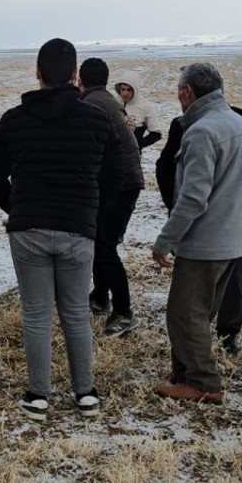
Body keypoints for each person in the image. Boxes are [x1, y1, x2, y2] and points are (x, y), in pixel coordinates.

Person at [0, 39, 114, 421]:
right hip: (78, 229)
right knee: (76, 313)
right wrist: (89, 210)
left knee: (36, 315)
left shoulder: (14, 119)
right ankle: (85, 394)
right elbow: (115, 174)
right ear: (74, 75)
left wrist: (18, 207)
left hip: (29, 230)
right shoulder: (97, 120)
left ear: (37, 73)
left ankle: (38, 397)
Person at [151, 63, 242, 404]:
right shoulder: (238, 123)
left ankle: (203, 383)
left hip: (205, 242)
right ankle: (183, 371)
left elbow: (193, 197)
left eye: (178, 92)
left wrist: (165, 241)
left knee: (185, 313)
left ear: (187, 92)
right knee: (200, 311)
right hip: (232, 239)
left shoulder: (202, 131)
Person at [157, 103, 242, 356]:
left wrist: (239, 205)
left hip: (238, 218)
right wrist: (176, 206)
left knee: (234, 278)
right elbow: (165, 167)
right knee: (193, 284)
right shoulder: (182, 124)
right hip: (195, 222)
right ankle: (192, 341)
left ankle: (228, 333)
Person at [77, 57, 143, 336]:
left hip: (119, 184)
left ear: (80, 80)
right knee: (99, 239)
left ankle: (124, 312)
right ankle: (100, 296)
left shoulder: (91, 104)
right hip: (121, 182)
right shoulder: (106, 100)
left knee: (104, 245)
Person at [114, 72, 166, 149]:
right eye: (123, 89)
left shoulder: (145, 106)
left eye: (129, 90)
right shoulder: (114, 102)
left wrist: (138, 144)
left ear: (135, 90)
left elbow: (156, 134)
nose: (125, 93)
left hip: (133, 152)